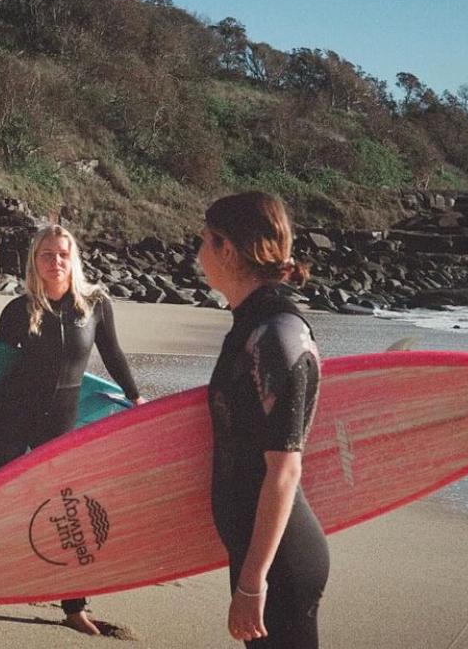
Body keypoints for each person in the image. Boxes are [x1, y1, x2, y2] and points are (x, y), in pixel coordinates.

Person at [0, 224, 143, 635]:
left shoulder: (96, 305)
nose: (55, 262)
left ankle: (74, 606)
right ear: (34, 261)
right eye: (46, 255)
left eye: (62, 254)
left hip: (59, 423)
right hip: (8, 416)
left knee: (67, 512)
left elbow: (112, 355)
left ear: (73, 258)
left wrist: (136, 398)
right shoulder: (17, 310)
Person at [197, 191, 329, 648]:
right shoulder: (251, 326)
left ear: (226, 249)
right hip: (260, 552)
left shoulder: (276, 335)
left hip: (281, 563)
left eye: (204, 242)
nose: (198, 256)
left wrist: (254, 581)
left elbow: (285, 469)